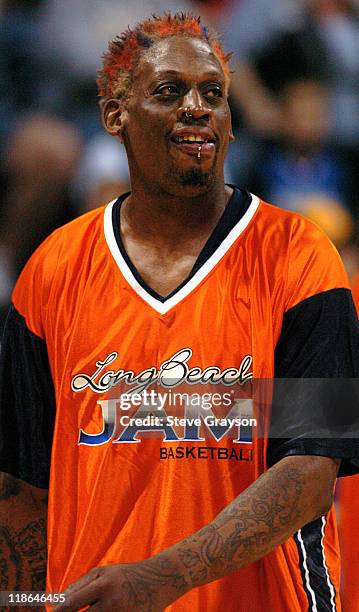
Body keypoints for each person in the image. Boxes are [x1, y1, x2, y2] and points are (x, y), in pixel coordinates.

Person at [1, 13, 359, 611]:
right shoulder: (54, 269)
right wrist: (22, 600)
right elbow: (21, 485)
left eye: (213, 93)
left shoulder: (301, 256)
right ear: (115, 116)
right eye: (171, 91)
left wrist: (162, 577)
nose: (198, 107)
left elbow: (310, 471)